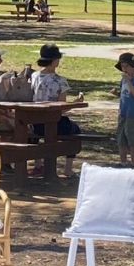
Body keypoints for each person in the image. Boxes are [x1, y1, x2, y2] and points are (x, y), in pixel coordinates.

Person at [31, 42, 85, 175]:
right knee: (75, 131)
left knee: (34, 134)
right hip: (53, 122)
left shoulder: (33, 77)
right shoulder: (60, 81)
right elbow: (61, 107)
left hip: (34, 122)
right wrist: (76, 103)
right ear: (55, 60)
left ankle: (38, 165)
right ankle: (68, 168)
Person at [115, 51, 134, 165]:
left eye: (127, 66)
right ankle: (122, 162)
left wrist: (128, 81)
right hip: (122, 113)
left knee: (131, 138)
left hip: (132, 114)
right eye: (122, 66)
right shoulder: (122, 80)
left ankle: (133, 162)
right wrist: (117, 94)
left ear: (133, 67)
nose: (124, 69)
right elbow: (125, 94)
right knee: (121, 138)